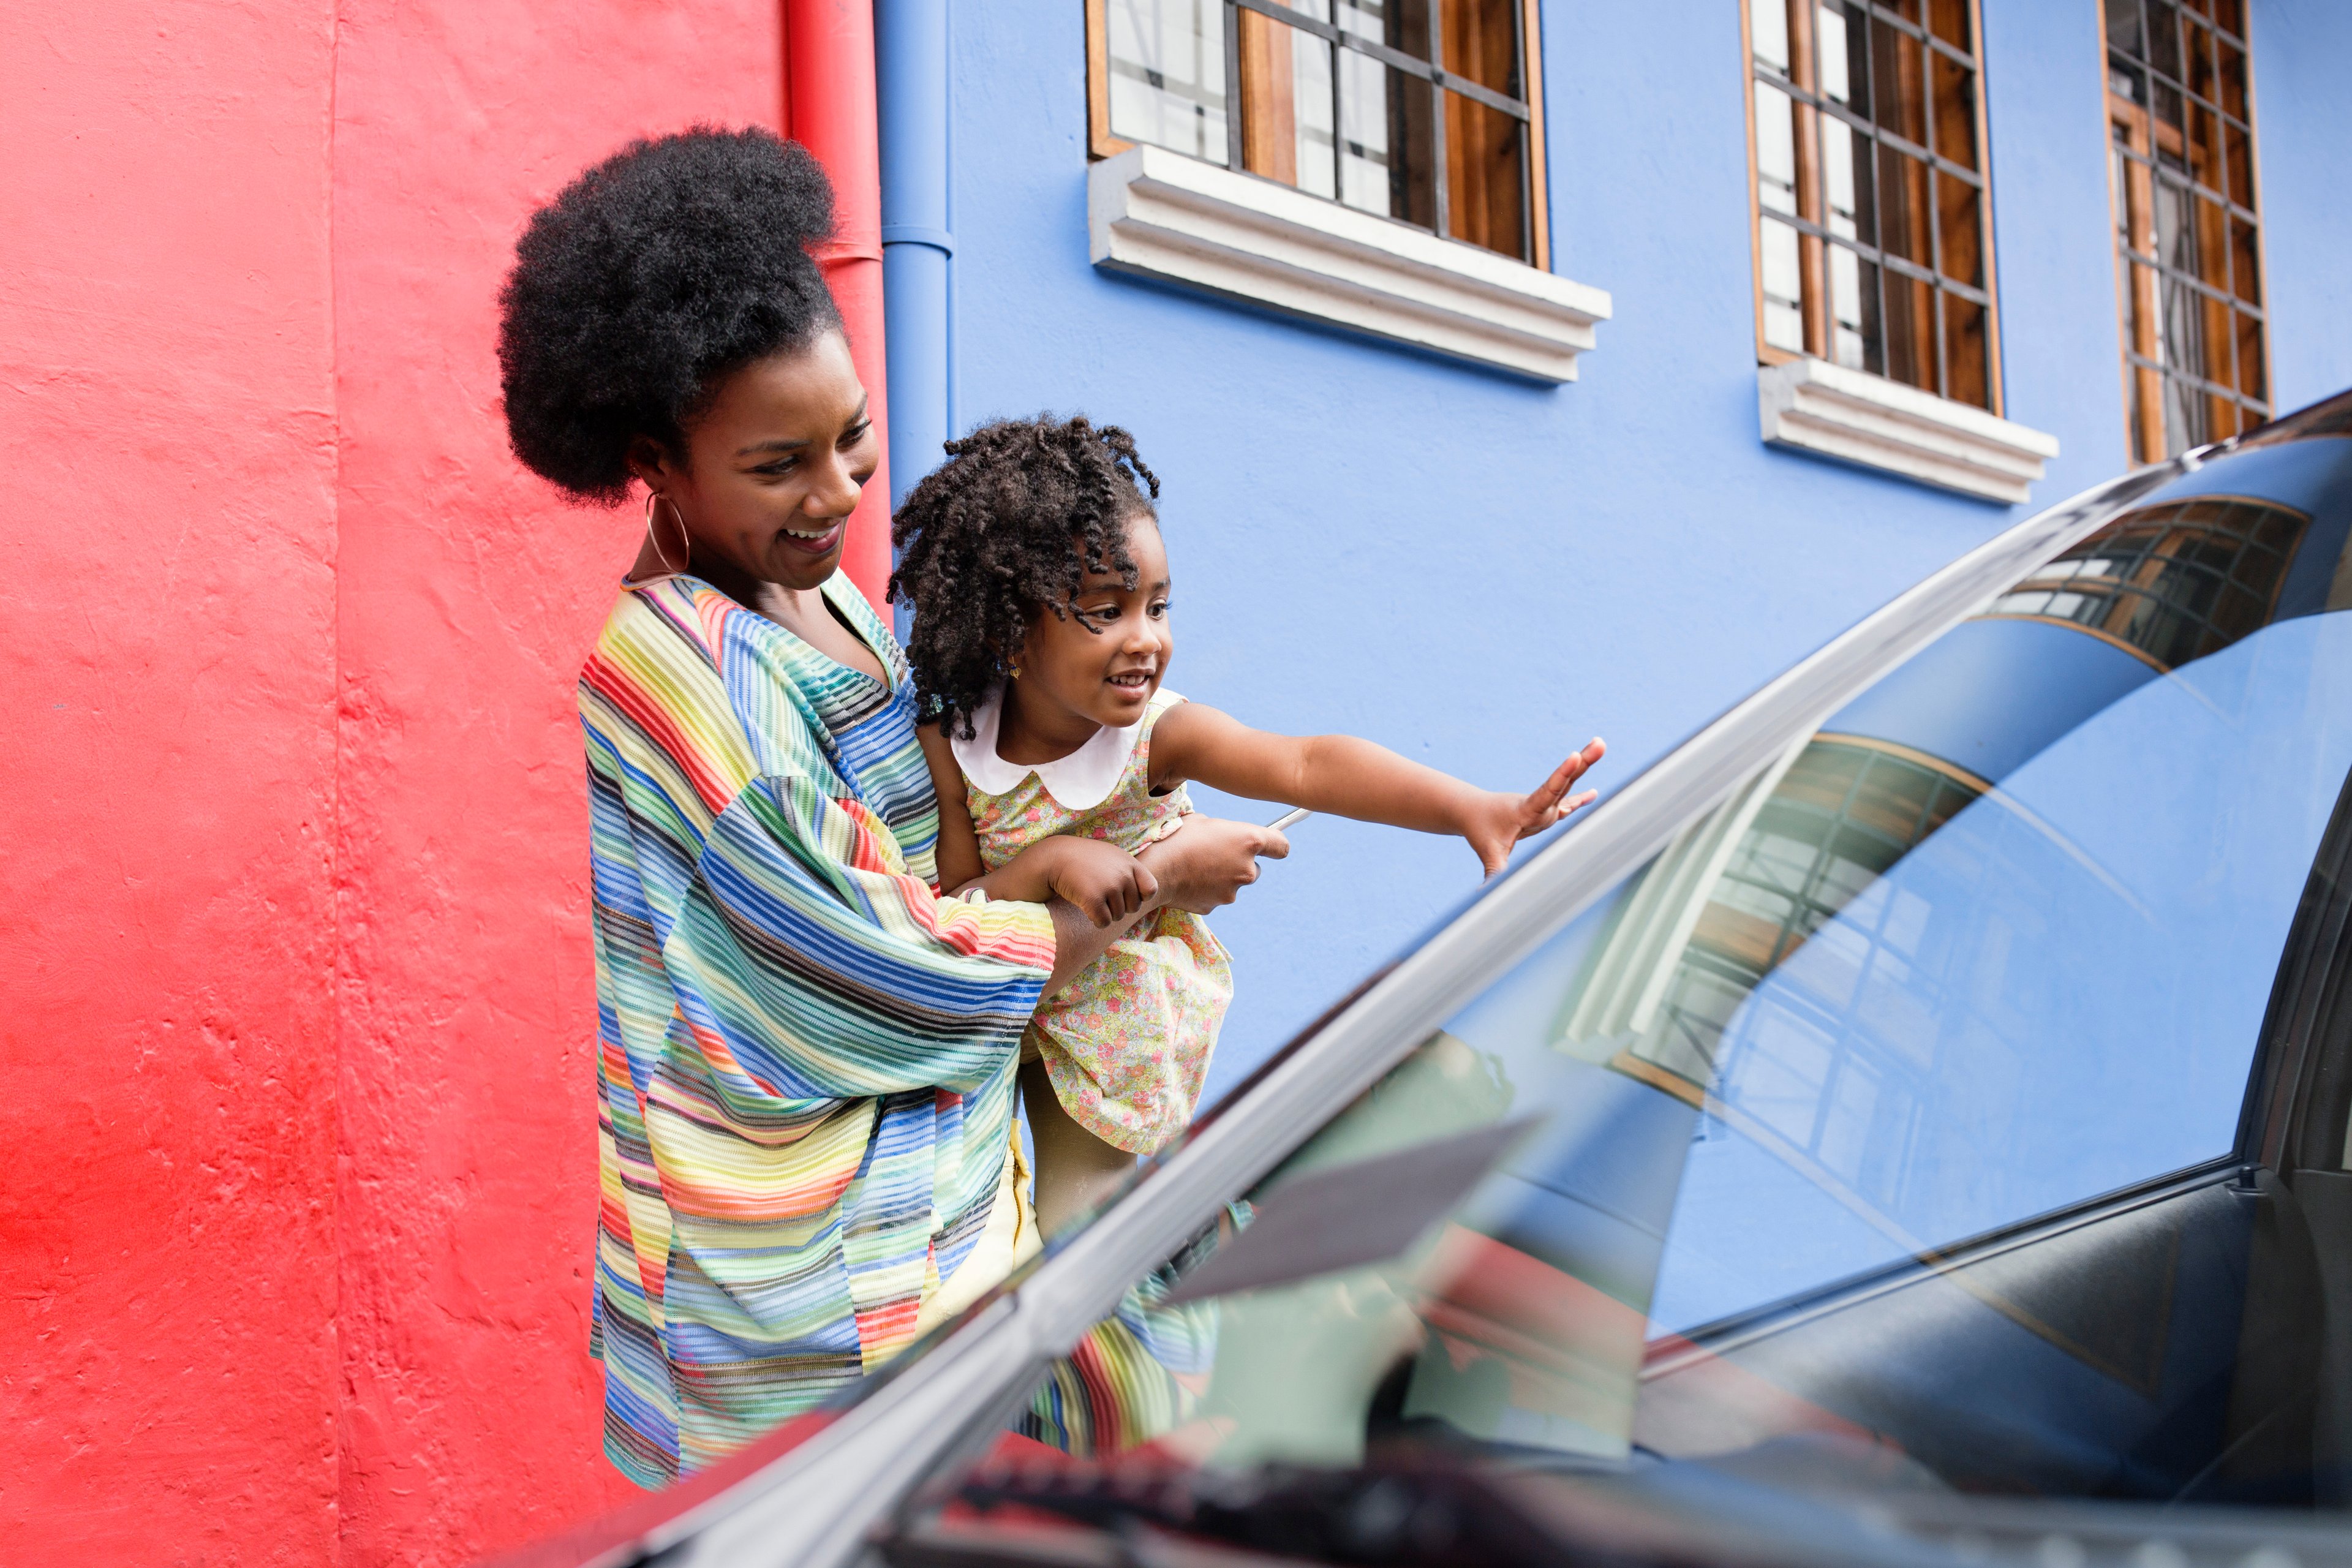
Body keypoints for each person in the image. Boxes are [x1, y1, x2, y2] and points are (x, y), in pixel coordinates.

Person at [496, 128, 1283, 1488]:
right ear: (657, 462)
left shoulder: (814, 591)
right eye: (778, 462)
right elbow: (872, 972)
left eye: (854, 433)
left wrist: (1057, 841)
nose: (838, 491)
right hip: (808, 1284)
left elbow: (932, 870)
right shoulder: (677, 681)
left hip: (940, 1211)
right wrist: (1141, 882)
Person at [889, 415, 1608, 1234]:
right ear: (1009, 633)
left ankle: (1185, 1270)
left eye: (1158, 608)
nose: (1146, 640)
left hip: (1105, 1028)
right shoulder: (954, 741)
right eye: (1106, 611)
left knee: (1076, 1245)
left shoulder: (1156, 736)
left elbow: (1307, 765)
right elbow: (959, 907)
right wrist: (1051, 861)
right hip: (998, 1014)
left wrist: (1470, 810)